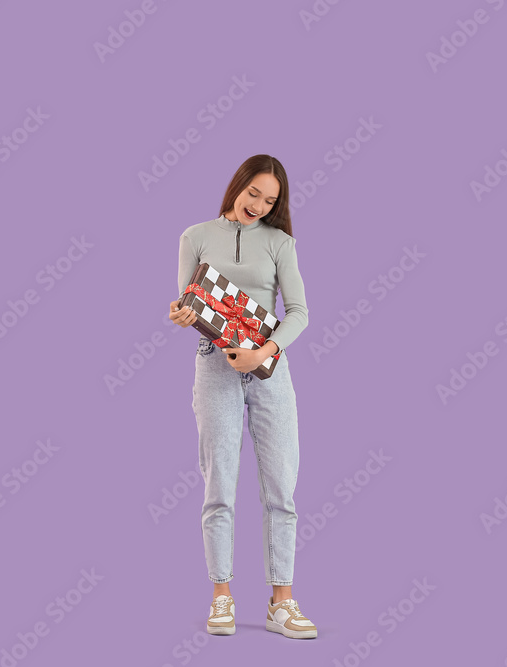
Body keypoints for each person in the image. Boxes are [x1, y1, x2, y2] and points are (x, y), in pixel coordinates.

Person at [168, 154, 317, 640]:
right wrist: (181, 315)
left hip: (269, 368)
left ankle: (282, 601)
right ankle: (222, 595)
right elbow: (189, 302)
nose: (258, 205)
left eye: (270, 200)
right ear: (238, 185)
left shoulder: (280, 243)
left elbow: (298, 311)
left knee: (281, 487)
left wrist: (266, 352)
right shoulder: (196, 236)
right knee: (219, 485)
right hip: (215, 365)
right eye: (253, 192)